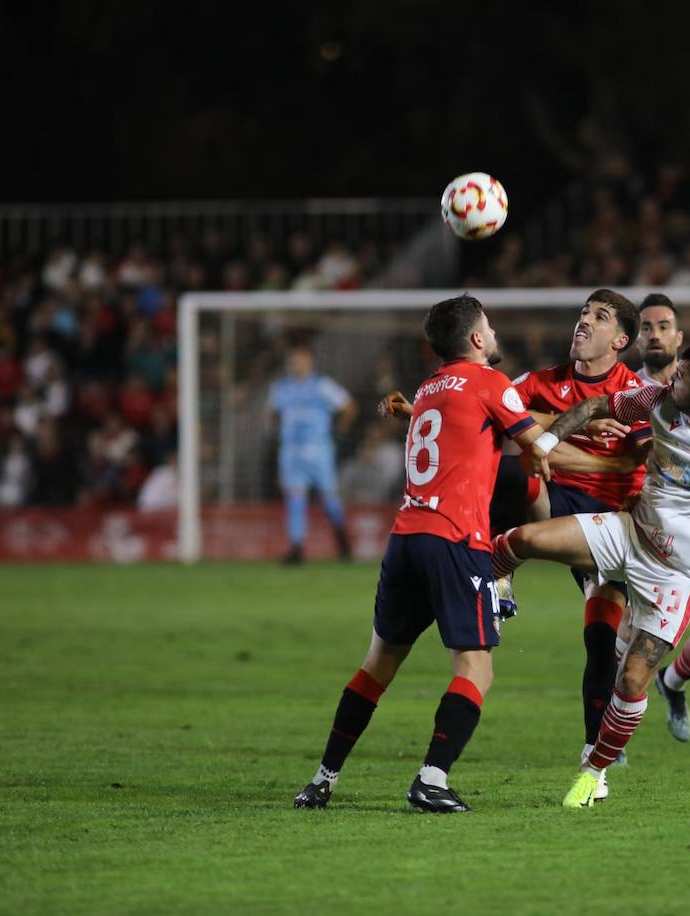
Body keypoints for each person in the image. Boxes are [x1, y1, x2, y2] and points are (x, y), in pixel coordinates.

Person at [380, 290, 652, 798]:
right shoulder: (541, 382)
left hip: (610, 526)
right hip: (553, 504)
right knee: (512, 471)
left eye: (599, 317)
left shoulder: (633, 392)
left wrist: (561, 447)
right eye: (582, 313)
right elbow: (479, 406)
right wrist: (416, 407)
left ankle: (596, 765)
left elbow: (634, 464)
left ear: (620, 340)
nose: (583, 322)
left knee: (600, 639)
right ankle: (500, 576)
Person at [490, 345, 690, 807]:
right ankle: (495, 592)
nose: (672, 380)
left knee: (630, 683)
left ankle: (595, 771)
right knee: (523, 539)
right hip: (630, 532)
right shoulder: (658, 401)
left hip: (677, 574)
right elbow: (593, 406)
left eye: (682, 376)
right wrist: (545, 443)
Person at [292, 295, 552, 813]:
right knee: (476, 667)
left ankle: (322, 780)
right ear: (477, 339)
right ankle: (431, 779)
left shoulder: (430, 390)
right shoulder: (491, 384)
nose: (494, 333)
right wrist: (575, 434)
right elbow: (537, 446)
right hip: (456, 539)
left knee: (378, 664)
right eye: (490, 326)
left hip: (406, 537)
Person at [268, 346, 357, 564]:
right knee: (295, 499)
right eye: (293, 361)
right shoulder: (281, 388)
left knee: (329, 498)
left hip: (319, 451)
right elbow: (273, 413)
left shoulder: (321, 385)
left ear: (309, 362)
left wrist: (338, 432)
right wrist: (279, 433)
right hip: (291, 452)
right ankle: (297, 548)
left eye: (300, 360)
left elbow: (349, 406)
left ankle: (342, 539)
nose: (296, 364)